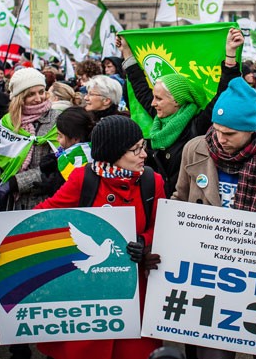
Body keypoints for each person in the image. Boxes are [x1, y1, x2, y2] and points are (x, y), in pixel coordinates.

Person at [171, 77, 256, 359]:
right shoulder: (194, 149)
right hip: (206, 273)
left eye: (230, 133)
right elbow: (179, 201)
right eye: (217, 130)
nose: (220, 139)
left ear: (250, 128)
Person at [34, 115, 164, 359]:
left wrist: (144, 242)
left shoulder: (151, 181)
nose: (144, 154)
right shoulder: (84, 179)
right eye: (135, 149)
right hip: (88, 300)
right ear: (113, 152)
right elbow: (45, 214)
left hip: (134, 297)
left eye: (143, 146)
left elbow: (161, 227)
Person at [117, 28, 243, 196]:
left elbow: (223, 93)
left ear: (177, 100)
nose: (153, 103)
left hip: (186, 206)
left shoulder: (197, 125)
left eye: (159, 99)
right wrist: (126, 50)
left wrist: (230, 54)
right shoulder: (158, 119)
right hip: (158, 202)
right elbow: (139, 85)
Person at [0, 67, 61, 210]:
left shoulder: (57, 120)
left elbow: (60, 164)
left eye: (41, 92)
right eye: (31, 94)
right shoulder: (7, 122)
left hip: (43, 201)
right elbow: (1, 161)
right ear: (19, 97)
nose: (38, 98)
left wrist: (16, 182)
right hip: (11, 204)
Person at [38, 106, 95, 198]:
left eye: (60, 136)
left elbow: (72, 187)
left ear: (75, 138)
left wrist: (53, 185)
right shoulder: (88, 148)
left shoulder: (77, 158)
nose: (57, 139)